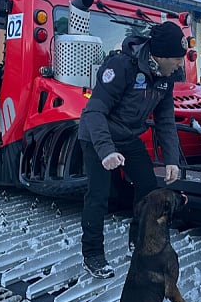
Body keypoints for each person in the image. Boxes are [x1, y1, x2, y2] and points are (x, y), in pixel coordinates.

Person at [78, 21, 186, 279]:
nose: (180, 64)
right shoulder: (121, 67)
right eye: (176, 58)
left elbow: (165, 120)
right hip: (97, 135)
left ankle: (137, 240)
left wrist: (172, 160)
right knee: (98, 195)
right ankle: (92, 254)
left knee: (148, 187)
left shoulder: (165, 77)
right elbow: (94, 111)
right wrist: (106, 151)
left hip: (127, 136)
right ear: (159, 55)